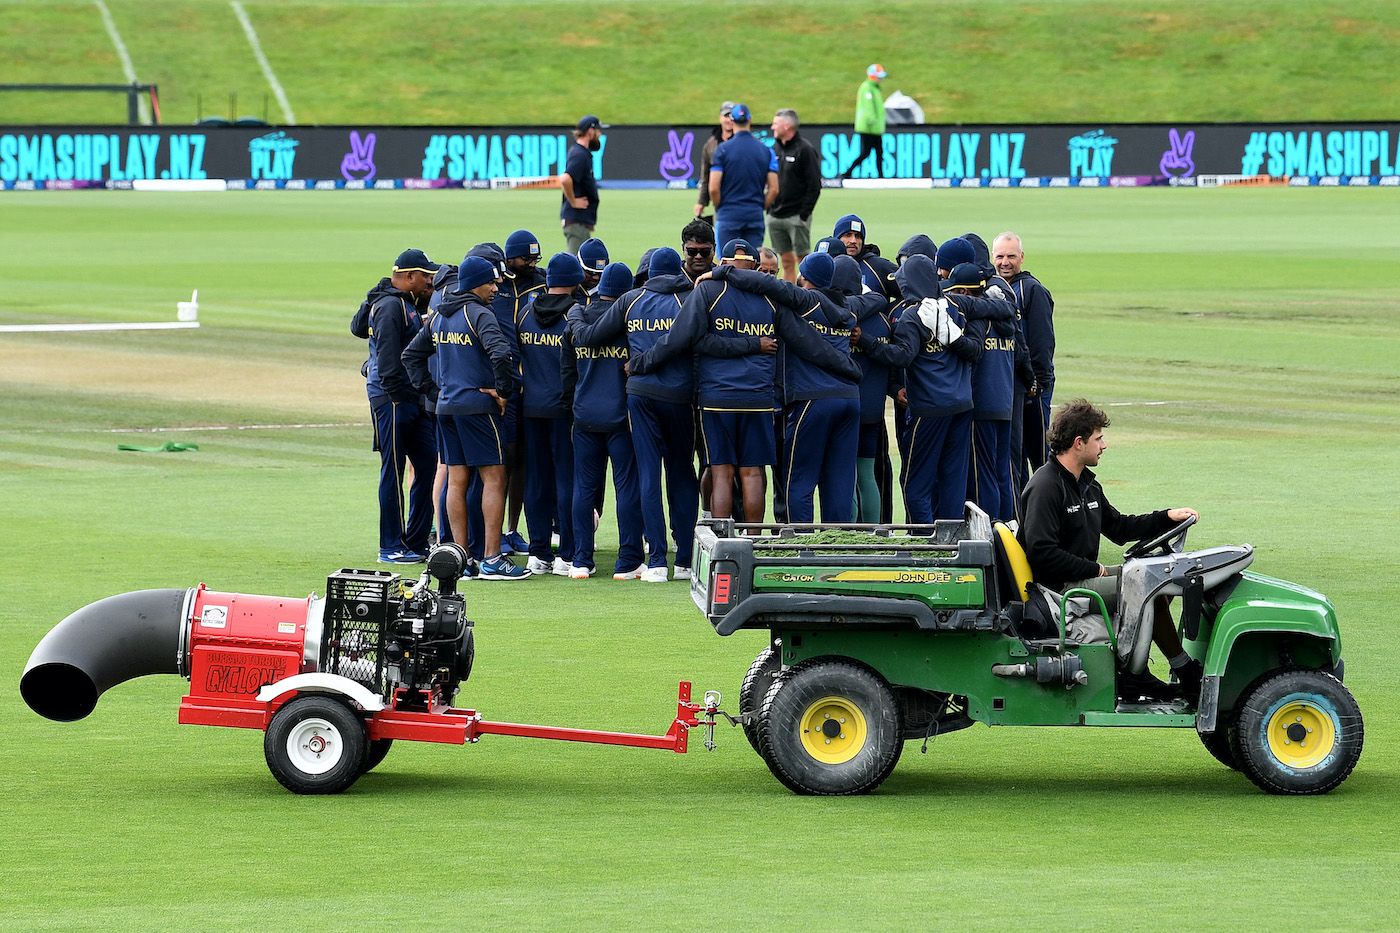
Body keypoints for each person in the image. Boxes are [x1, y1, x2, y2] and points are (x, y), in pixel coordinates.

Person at [630, 242, 859, 523]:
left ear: (723, 262)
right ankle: (754, 541)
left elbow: (682, 339)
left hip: (717, 397)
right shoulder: (771, 298)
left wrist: (640, 363)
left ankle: (724, 543)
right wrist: (848, 367)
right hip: (759, 399)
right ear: (754, 266)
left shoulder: (708, 290)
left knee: (721, 472)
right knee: (753, 473)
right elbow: (807, 341)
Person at [1017, 399, 1203, 699]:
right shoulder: (1045, 486)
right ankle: (1175, 670)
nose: (1104, 445)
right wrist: (1094, 569)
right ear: (1079, 443)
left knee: (1159, 581)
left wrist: (1166, 517)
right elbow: (1042, 553)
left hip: (1081, 580)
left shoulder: (1087, 485)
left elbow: (1119, 527)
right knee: (1148, 585)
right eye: (1098, 438)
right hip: (1058, 591)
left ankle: (1137, 673)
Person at [570, 247, 699, 582]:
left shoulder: (631, 300)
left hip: (640, 396)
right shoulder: (691, 299)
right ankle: (684, 559)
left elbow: (588, 336)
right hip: (681, 397)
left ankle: (656, 560)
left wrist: (573, 313)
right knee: (682, 472)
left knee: (647, 474)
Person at [706, 251, 863, 523]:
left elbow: (768, 284)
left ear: (805, 277)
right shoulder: (847, 310)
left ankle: (798, 547)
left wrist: (723, 272)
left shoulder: (808, 300)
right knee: (839, 481)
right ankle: (839, 549)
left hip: (813, 399)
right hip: (850, 399)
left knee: (798, 481)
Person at [855, 255, 1011, 522]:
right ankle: (949, 542)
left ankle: (925, 542)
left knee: (917, 483)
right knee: (953, 478)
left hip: (929, 409)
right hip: (962, 406)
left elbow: (901, 357)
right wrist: (999, 299)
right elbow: (1002, 312)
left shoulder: (911, 317)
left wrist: (867, 342)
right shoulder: (957, 305)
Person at [413, 256, 527, 580]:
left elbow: (412, 355)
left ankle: (459, 560)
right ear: (476, 283)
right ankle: (492, 557)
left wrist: (435, 392)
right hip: (477, 407)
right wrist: (504, 392)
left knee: (456, 479)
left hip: (447, 408)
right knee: (495, 477)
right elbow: (501, 353)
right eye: (490, 283)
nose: (495, 288)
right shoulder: (478, 313)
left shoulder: (439, 316)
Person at [562, 261, 646, 580]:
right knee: (626, 487)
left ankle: (581, 559)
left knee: (583, 488)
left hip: (584, 416)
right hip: (621, 417)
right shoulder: (629, 322)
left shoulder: (578, 319)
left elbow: (566, 372)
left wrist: (573, 407)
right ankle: (627, 561)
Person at [366, 248, 440, 564]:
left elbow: (357, 328)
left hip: (408, 399)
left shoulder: (399, 303)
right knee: (393, 470)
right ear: (408, 276)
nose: (429, 282)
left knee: (428, 463)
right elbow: (387, 362)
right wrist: (398, 396)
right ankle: (391, 546)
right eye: (425, 277)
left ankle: (416, 539)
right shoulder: (388, 306)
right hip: (393, 399)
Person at [516, 253, 582, 577]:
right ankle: (567, 555)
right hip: (563, 410)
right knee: (566, 480)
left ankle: (537, 553)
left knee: (536, 481)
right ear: (574, 281)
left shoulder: (526, 312)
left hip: (531, 408)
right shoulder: (574, 315)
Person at [496, 230, 546, 555]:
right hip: (506, 388)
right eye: (525, 258)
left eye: (534, 258)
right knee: (504, 459)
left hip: (535, 387)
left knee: (525, 462)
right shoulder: (496, 286)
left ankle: (514, 529)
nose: (530, 263)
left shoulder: (542, 283)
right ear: (509, 258)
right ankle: (495, 530)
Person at [993, 231, 1055, 491]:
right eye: (999, 256)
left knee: (1040, 455)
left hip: (1034, 387)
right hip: (1014, 387)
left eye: (1011, 256)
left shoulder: (1032, 290)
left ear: (1022, 257)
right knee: (1014, 455)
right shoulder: (995, 288)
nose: (1005, 262)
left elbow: (1042, 342)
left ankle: (1051, 507)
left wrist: (1038, 383)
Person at [708, 103, 778, 251]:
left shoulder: (722, 150)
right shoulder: (766, 150)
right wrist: (760, 206)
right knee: (751, 262)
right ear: (750, 120)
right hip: (754, 214)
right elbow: (774, 189)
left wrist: (720, 206)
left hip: (728, 214)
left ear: (732, 121)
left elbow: (713, 188)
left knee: (727, 262)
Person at [767, 108, 822, 283]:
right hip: (775, 215)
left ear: (787, 125)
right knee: (785, 261)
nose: (772, 126)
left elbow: (814, 185)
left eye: (775, 123)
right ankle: (789, 296)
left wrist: (804, 214)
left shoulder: (805, 149)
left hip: (797, 216)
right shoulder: (773, 149)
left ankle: (808, 296)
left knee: (804, 261)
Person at [561, 115, 602, 251]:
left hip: (580, 223)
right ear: (590, 132)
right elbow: (565, 179)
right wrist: (573, 201)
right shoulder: (580, 154)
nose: (600, 135)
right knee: (575, 267)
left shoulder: (581, 153)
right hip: (576, 222)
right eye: (598, 131)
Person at [834, 214, 898, 299]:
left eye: (858, 236)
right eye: (848, 235)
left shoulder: (879, 266)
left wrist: (893, 311)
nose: (853, 241)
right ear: (837, 238)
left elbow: (913, 289)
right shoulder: (828, 265)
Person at [694, 101, 735, 222]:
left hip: (742, 200)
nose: (729, 120)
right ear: (720, 118)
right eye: (726, 116)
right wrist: (702, 202)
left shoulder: (744, 142)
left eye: (732, 116)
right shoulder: (711, 145)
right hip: (720, 202)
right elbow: (706, 176)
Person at [846, 63, 887, 179]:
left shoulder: (875, 89)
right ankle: (847, 172)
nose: (881, 79)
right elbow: (869, 107)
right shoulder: (867, 88)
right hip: (868, 127)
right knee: (866, 152)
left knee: (878, 152)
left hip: (875, 128)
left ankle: (881, 176)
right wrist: (872, 120)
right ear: (873, 76)